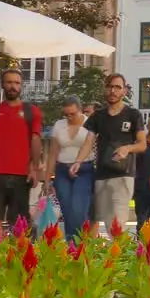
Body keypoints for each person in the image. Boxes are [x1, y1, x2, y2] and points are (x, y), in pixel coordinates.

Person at [71, 73, 147, 233]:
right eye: (110, 86)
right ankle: (107, 256)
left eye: (117, 87)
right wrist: (78, 161)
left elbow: (142, 144)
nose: (113, 90)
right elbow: (88, 142)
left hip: (123, 175)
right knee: (104, 222)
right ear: (105, 89)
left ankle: (117, 257)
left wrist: (127, 148)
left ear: (124, 91)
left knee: (117, 225)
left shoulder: (133, 115)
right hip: (102, 175)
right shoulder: (98, 116)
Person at [0, 68, 44, 230]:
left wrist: (35, 168)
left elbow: (35, 139)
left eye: (17, 83)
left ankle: (18, 254)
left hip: (21, 174)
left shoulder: (31, 111)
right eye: (9, 82)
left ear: (21, 86)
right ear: (2, 85)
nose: (13, 86)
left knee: (19, 222)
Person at [47, 96, 95, 241]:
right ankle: (71, 245)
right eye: (66, 114)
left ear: (80, 110)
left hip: (84, 169)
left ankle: (82, 242)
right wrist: (48, 176)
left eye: (72, 114)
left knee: (78, 209)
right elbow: (53, 152)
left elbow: (92, 146)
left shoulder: (90, 123)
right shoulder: (59, 125)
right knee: (67, 210)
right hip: (62, 169)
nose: (69, 117)